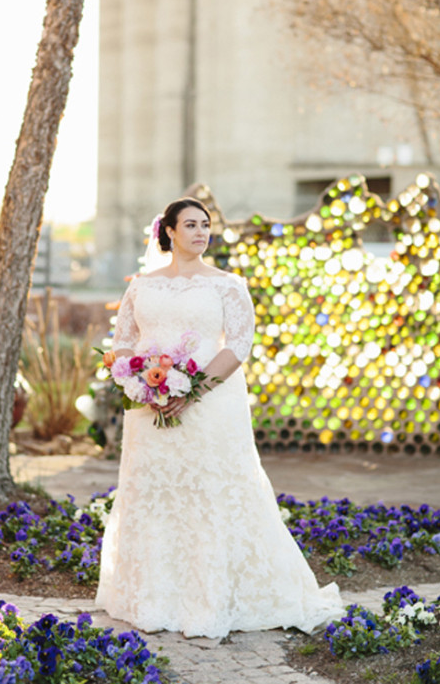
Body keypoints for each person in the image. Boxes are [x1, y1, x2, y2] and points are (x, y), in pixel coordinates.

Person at [95, 197, 344, 639]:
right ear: (168, 231)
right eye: (190, 225)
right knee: (158, 492)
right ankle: (153, 596)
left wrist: (191, 391)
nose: (200, 232)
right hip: (150, 410)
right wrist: (143, 385)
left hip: (210, 406)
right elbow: (125, 342)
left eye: (205, 225)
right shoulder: (142, 286)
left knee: (209, 492)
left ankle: (211, 599)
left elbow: (238, 345)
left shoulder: (228, 284)